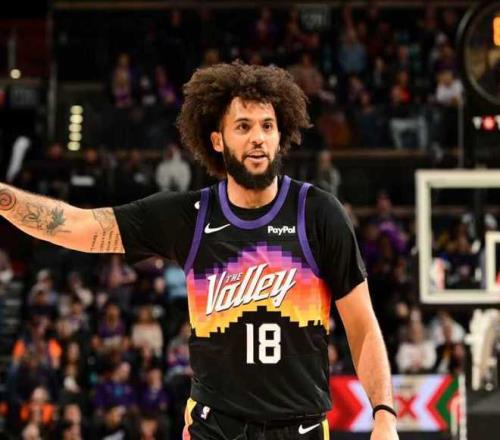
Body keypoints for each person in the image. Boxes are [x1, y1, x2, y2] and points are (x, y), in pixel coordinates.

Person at [0, 61, 398, 439]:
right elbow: (78, 226)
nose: (258, 137)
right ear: (217, 140)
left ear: (281, 135)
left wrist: (384, 414)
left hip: (301, 426)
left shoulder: (318, 213)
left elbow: (363, 328)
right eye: (243, 126)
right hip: (216, 427)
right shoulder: (189, 217)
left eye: (267, 126)